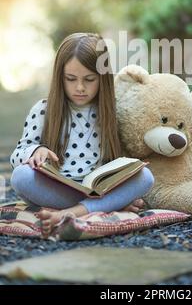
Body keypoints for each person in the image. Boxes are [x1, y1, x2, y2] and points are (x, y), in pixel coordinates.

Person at [10, 32, 154, 238]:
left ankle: (70, 213)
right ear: (60, 77)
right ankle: (99, 207)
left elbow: (126, 162)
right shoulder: (43, 109)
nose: (79, 87)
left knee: (145, 176)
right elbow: (17, 156)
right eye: (71, 79)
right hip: (58, 189)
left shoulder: (112, 111)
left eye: (89, 79)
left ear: (102, 78)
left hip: (99, 189)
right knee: (21, 176)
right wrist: (35, 150)